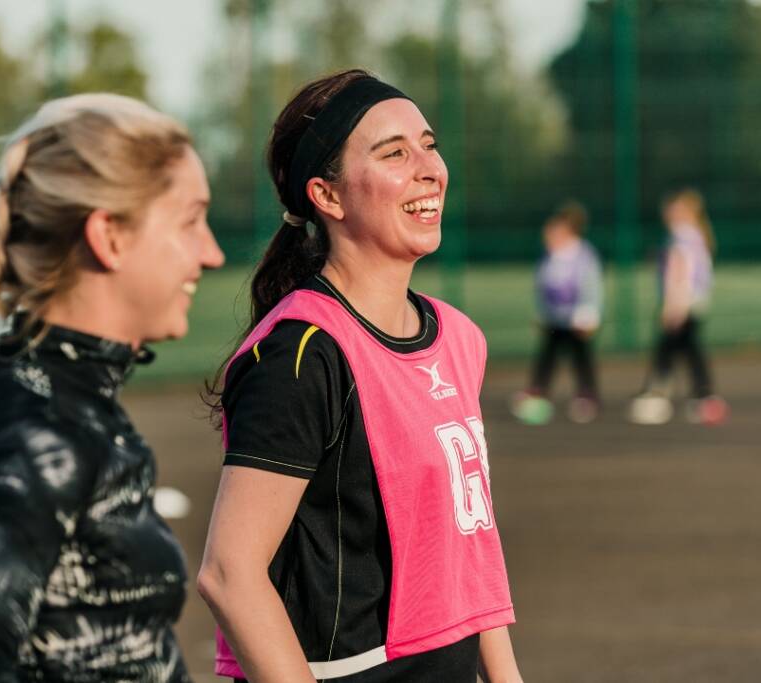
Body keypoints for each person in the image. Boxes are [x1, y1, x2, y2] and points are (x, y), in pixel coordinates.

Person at [197, 70, 522, 683]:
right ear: (328, 196)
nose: (429, 168)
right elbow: (229, 574)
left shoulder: (458, 336)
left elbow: (469, 535)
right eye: (394, 153)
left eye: (428, 144)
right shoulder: (302, 354)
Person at [0, 93, 225, 682]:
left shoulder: (66, 407)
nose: (212, 253)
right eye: (191, 220)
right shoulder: (44, 435)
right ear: (110, 236)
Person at [630, 188, 726, 425]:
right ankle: (703, 396)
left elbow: (680, 273)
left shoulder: (681, 236)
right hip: (694, 302)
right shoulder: (696, 235)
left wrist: (674, 306)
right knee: (688, 349)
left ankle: (657, 395)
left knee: (669, 350)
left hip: (682, 304)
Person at [511, 201, 602, 424]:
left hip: (577, 320)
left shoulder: (583, 255)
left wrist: (589, 314)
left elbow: (591, 286)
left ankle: (587, 396)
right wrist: (542, 313)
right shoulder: (549, 257)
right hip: (555, 319)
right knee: (547, 357)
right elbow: (542, 288)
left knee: (581, 358)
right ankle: (538, 393)